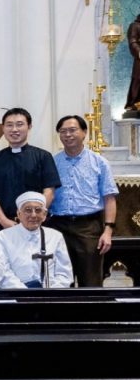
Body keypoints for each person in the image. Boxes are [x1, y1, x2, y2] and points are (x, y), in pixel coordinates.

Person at [49, 115, 118, 287]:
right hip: (58, 226)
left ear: (84, 132)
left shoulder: (99, 162)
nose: (68, 135)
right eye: (63, 131)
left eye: (72, 130)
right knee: (60, 281)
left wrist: (108, 231)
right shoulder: (52, 162)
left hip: (88, 227)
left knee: (91, 281)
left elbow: (109, 198)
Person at [0, 108, 61, 231]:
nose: (14, 129)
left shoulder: (43, 156)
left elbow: (49, 191)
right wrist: (3, 220)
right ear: (3, 128)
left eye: (19, 124)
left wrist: (34, 217)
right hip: (3, 225)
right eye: (9, 125)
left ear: (29, 126)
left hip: (36, 223)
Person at [0, 191, 74, 288]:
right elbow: (3, 272)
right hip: (15, 293)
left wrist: (50, 293)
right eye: (28, 210)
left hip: (49, 293)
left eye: (38, 210)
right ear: (19, 214)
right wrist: (24, 293)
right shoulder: (3, 237)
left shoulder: (55, 236)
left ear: (44, 214)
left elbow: (64, 274)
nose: (33, 215)